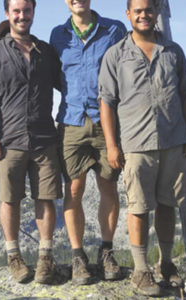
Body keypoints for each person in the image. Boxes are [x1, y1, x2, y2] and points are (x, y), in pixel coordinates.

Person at [98, 0, 186, 296]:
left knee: (167, 205)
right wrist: (112, 145)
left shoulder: (174, 52)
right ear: (128, 15)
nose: (143, 15)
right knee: (139, 207)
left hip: (172, 141)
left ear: (157, 12)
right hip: (136, 144)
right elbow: (107, 103)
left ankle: (165, 264)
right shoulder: (116, 55)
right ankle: (140, 271)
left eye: (148, 9)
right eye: (137, 10)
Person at [0, 0, 62, 285]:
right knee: (10, 199)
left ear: (33, 12)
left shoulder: (46, 52)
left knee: (46, 198)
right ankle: (14, 256)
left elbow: (67, 83)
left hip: (44, 138)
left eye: (27, 10)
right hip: (9, 139)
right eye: (16, 10)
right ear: (7, 14)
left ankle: (44, 258)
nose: (22, 15)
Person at [49, 0, 127, 285]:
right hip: (71, 121)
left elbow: (124, 71)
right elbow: (58, 78)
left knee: (108, 184)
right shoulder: (58, 35)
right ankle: (78, 256)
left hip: (107, 120)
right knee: (74, 189)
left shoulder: (114, 30)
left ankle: (106, 252)